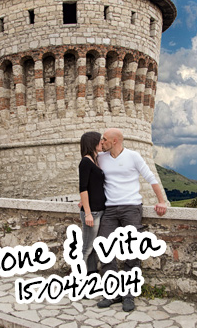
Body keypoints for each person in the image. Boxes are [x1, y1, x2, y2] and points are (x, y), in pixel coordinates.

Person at [95, 128, 168, 312]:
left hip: (131, 208)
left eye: (104, 139)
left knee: (132, 252)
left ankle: (128, 295)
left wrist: (161, 201)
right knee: (105, 249)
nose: (101, 142)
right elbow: (92, 180)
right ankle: (112, 293)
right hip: (110, 209)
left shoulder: (133, 156)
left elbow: (150, 177)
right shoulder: (101, 158)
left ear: (115, 141)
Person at [77, 131, 105, 275]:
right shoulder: (85, 162)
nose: (102, 143)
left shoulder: (95, 160)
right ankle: (77, 278)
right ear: (92, 142)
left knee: (92, 247)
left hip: (98, 210)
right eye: (100, 141)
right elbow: (83, 187)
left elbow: (93, 185)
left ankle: (91, 276)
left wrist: (83, 201)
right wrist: (87, 212)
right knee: (86, 248)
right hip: (92, 212)